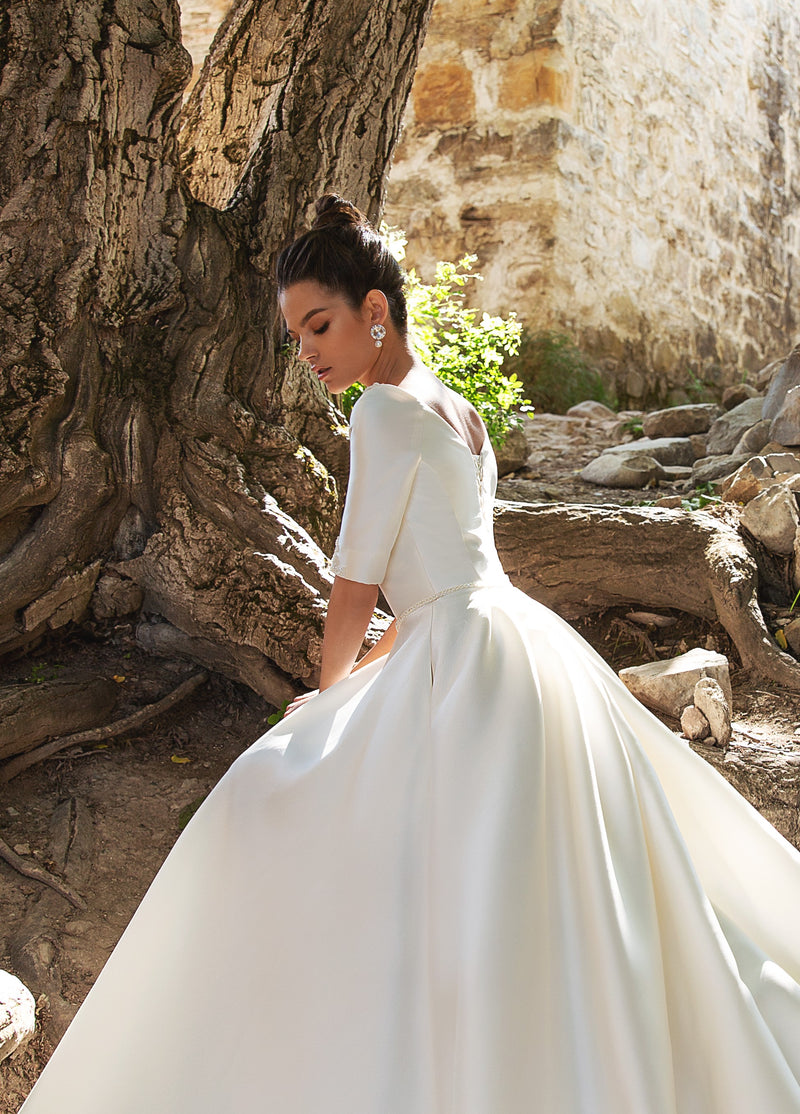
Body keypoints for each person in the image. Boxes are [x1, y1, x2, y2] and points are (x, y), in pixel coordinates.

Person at [19, 196, 800, 1113]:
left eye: (320, 324)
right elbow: (447, 583)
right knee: (527, 870)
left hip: (466, 656)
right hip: (514, 645)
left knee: (272, 803)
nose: (307, 351)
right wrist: (372, 672)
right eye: (294, 334)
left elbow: (355, 583)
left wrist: (323, 697)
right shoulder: (459, 411)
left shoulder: (383, 416)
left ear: (374, 312)